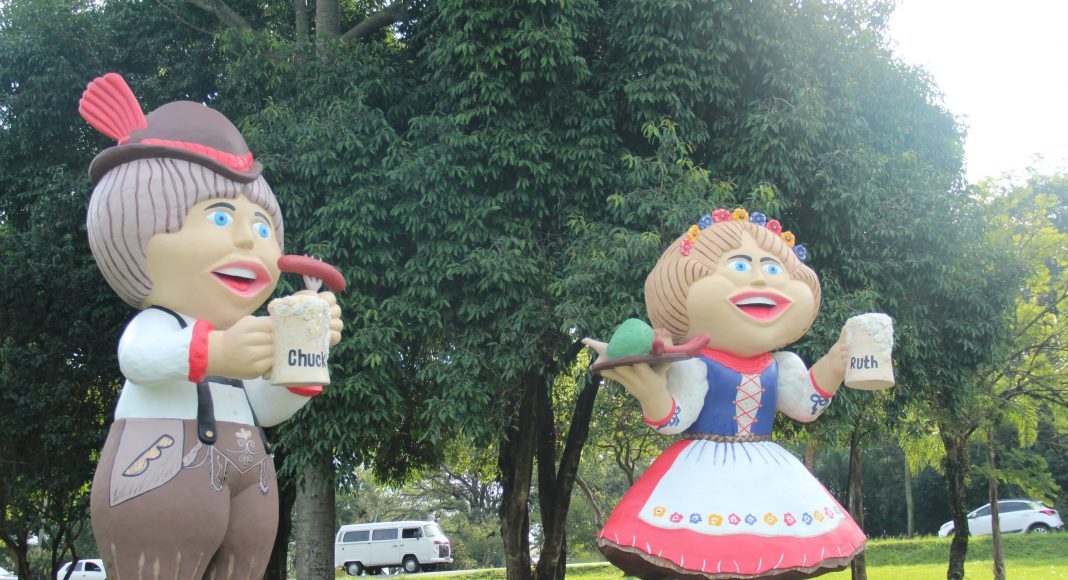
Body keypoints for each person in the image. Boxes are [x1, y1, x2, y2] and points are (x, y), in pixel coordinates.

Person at [79, 73, 343, 579]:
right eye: (220, 218)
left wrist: (301, 363)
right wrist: (215, 352)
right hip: (159, 463)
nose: (249, 241)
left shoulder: (244, 330)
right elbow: (137, 359)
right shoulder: (158, 322)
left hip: (249, 466)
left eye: (262, 227)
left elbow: (264, 408)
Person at [584, 209, 864, 579]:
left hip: (767, 470)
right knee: (702, 553)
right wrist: (652, 393)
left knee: (772, 554)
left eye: (774, 268)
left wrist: (835, 363)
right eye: (740, 266)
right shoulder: (694, 365)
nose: (761, 279)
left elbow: (805, 405)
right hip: (702, 470)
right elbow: (674, 419)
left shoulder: (782, 364)